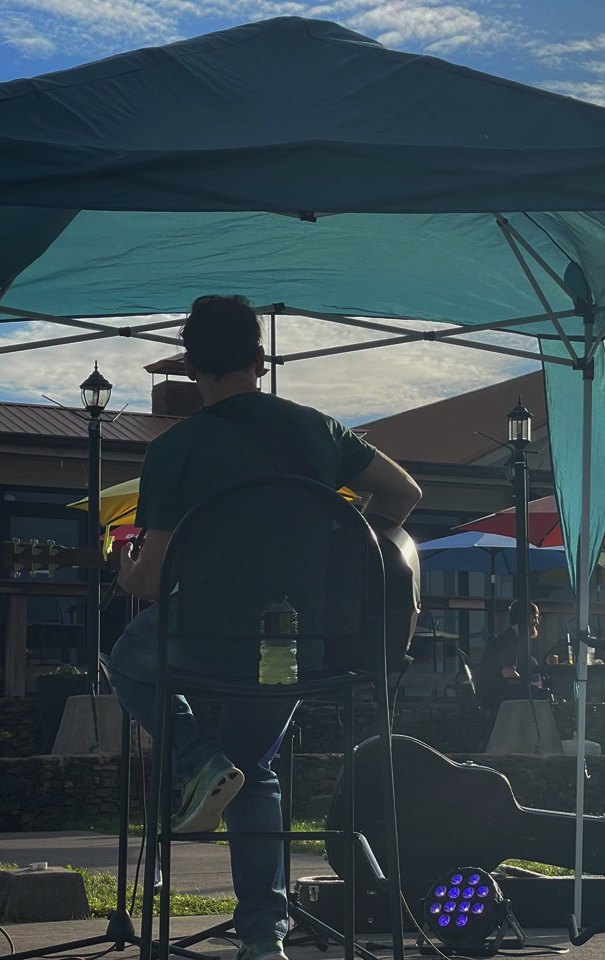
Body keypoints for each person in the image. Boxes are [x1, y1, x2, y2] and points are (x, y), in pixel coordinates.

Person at [110, 294, 421, 960]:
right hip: (298, 648)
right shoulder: (319, 430)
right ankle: (263, 942)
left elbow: (155, 579)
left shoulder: (177, 449)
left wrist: (123, 571)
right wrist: (345, 550)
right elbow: (404, 494)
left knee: (128, 657)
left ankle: (200, 760)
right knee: (256, 766)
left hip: (207, 644)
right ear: (260, 358)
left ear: (191, 365)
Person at [475, 600, 543, 710]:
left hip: (490, 693)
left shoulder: (507, 637)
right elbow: (507, 672)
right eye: (534, 618)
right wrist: (530, 684)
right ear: (524, 619)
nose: (536, 623)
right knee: (537, 694)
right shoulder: (510, 641)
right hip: (495, 695)